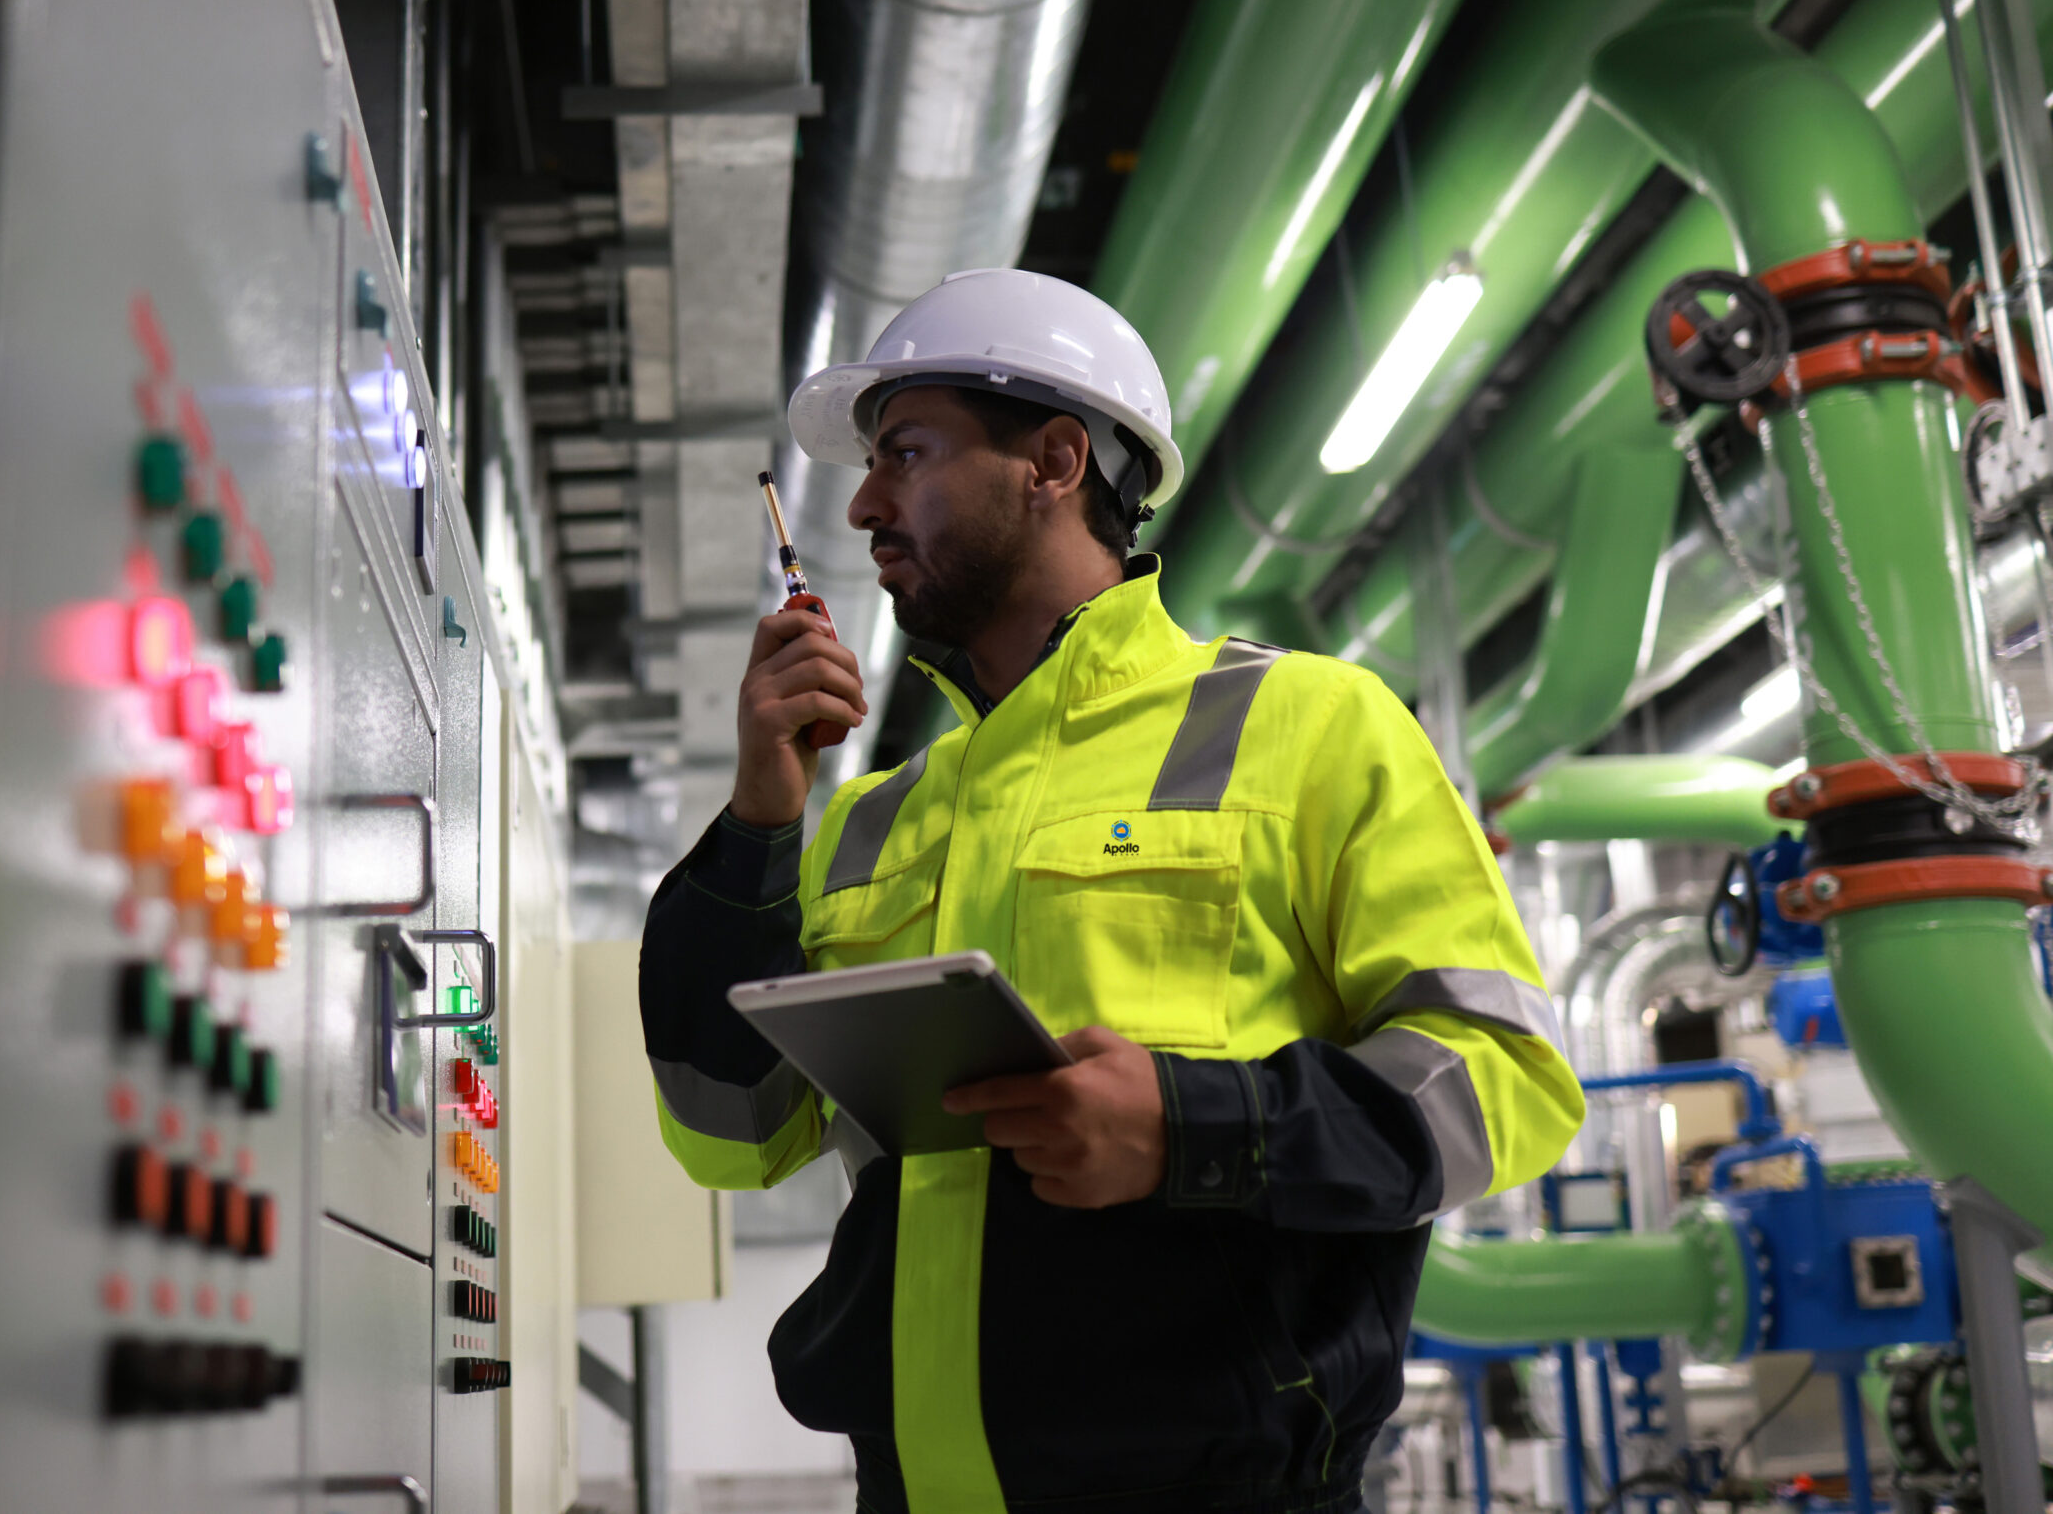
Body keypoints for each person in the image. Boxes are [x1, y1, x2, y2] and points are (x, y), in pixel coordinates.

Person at [640, 269, 1584, 1514]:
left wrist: (1197, 1127)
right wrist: (759, 821)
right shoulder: (874, 817)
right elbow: (728, 1135)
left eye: (906, 452)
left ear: (1055, 459)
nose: (865, 502)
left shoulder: (1306, 724)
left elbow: (1502, 1078)